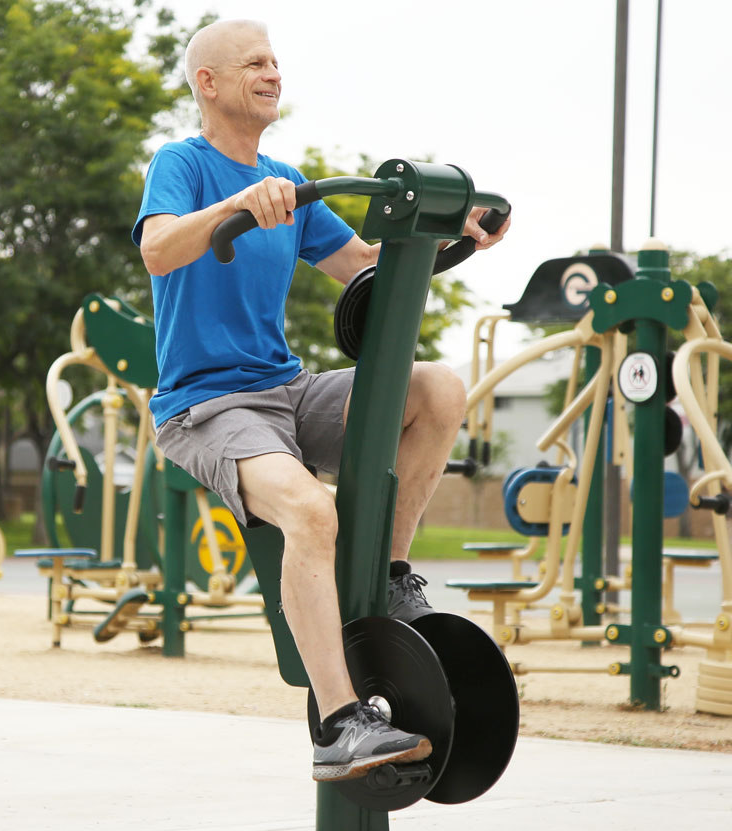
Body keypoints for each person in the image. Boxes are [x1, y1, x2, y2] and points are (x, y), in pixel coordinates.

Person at [132, 19, 509, 782]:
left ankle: (393, 576)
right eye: (253, 63)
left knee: (437, 385)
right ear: (207, 83)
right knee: (310, 511)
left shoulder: (287, 180)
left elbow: (367, 267)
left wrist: (453, 237)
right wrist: (238, 204)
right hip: (205, 406)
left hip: (286, 390)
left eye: (276, 62)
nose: (273, 73)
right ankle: (339, 724)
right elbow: (159, 248)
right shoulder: (183, 164)